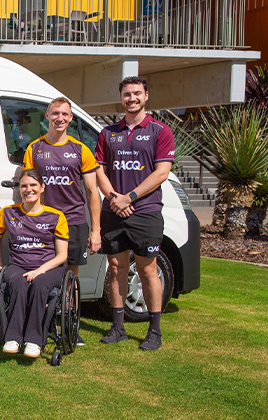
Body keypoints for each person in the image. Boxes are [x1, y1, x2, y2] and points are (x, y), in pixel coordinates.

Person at [95, 76, 175, 351]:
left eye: (137, 93)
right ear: (121, 98)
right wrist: (113, 198)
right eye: (127, 94)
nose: (132, 98)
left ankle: (154, 331)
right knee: (116, 267)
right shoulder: (108, 133)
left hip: (145, 211)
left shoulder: (160, 131)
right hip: (113, 210)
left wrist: (129, 197)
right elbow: (99, 171)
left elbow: (162, 172)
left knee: (147, 269)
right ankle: (118, 328)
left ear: (146, 96)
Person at [22, 97, 101, 346]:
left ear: (70, 118)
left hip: (75, 221)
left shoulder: (81, 150)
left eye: (65, 114)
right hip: (44, 222)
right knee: (43, 276)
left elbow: (91, 192)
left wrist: (96, 230)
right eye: (55, 113)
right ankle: (42, 326)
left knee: (70, 277)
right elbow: (28, 188)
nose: (60, 118)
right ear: (47, 116)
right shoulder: (34, 149)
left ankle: (70, 327)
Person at [0, 169, 69, 358]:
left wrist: (40, 270)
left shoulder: (56, 216)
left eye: (33, 185)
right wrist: (0, 264)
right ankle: (13, 338)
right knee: (18, 282)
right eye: (24, 186)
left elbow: (62, 255)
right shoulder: (8, 213)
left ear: (42, 188)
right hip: (18, 266)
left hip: (49, 267)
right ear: (19, 189)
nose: (28, 190)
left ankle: (34, 341)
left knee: (40, 283)